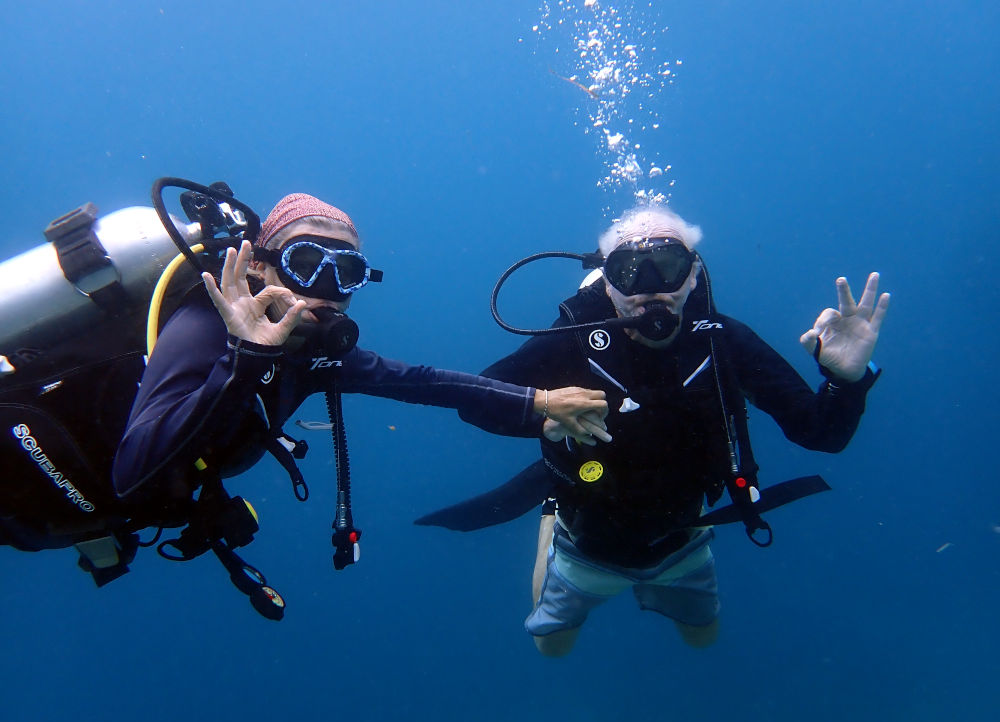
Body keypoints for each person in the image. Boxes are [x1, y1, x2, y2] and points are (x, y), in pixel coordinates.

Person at [111, 193, 609, 609]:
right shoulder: (204, 328)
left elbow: (423, 382)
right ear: (259, 267)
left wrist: (541, 400)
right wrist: (243, 359)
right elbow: (131, 476)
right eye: (304, 265)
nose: (325, 290)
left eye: (344, 272)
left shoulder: (310, 349)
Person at [460, 205, 889, 657]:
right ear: (607, 283)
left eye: (668, 267)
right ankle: (550, 514)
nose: (650, 290)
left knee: (703, 639)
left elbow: (822, 434)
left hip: (683, 541)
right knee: (552, 647)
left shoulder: (723, 341)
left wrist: (846, 381)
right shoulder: (574, 339)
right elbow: (475, 401)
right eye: (628, 271)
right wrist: (542, 410)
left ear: (692, 276)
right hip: (583, 537)